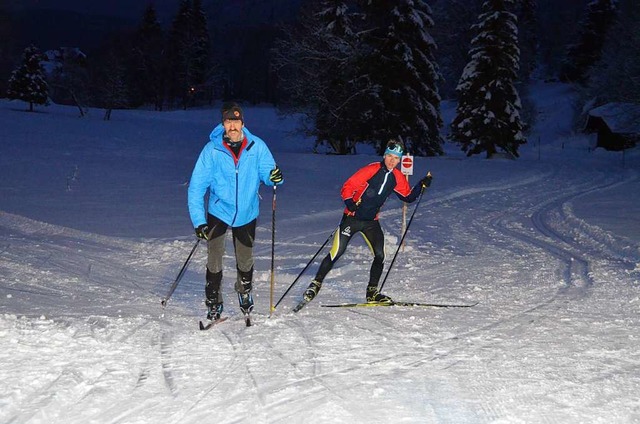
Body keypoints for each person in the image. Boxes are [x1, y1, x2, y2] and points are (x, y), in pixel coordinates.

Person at [299, 139, 431, 306]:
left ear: (399, 160)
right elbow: (348, 186)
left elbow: (408, 197)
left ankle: (372, 293)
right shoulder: (372, 169)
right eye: (390, 156)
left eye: (396, 158)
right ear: (384, 155)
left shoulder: (397, 177)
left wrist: (421, 185)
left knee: (380, 255)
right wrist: (350, 203)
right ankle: (315, 284)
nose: (392, 161)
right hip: (352, 219)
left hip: (371, 222)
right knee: (336, 252)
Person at [188, 102, 283, 321]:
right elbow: (196, 188)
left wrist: (274, 177)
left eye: (236, 121)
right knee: (214, 258)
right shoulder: (211, 150)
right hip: (219, 211)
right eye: (228, 121)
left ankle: (244, 291)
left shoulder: (256, 146)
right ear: (223, 123)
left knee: (245, 258)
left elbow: (269, 173)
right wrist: (199, 221)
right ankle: (213, 300)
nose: (232, 125)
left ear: (243, 123)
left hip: (247, 212)